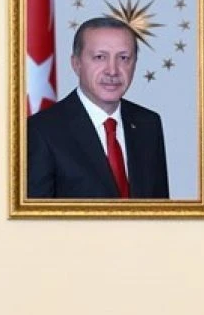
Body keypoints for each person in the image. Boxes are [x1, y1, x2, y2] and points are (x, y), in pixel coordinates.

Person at [26, 16, 170, 199]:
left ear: (134, 64)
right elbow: (35, 215)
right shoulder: (41, 130)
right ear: (76, 64)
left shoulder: (148, 123)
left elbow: (160, 209)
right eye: (100, 57)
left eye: (123, 58)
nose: (112, 70)